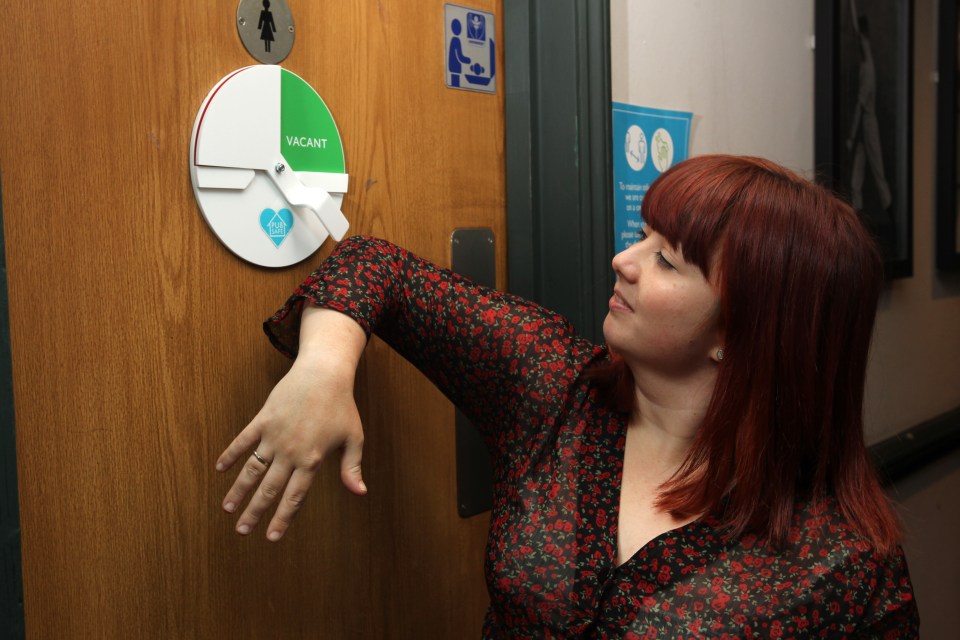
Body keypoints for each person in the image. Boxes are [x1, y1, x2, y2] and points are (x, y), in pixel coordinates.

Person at [216, 155, 919, 637]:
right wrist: (323, 369)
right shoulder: (554, 385)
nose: (625, 260)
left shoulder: (844, 563)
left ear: (742, 335)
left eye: (666, 259)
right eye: (643, 237)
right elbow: (379, 268)